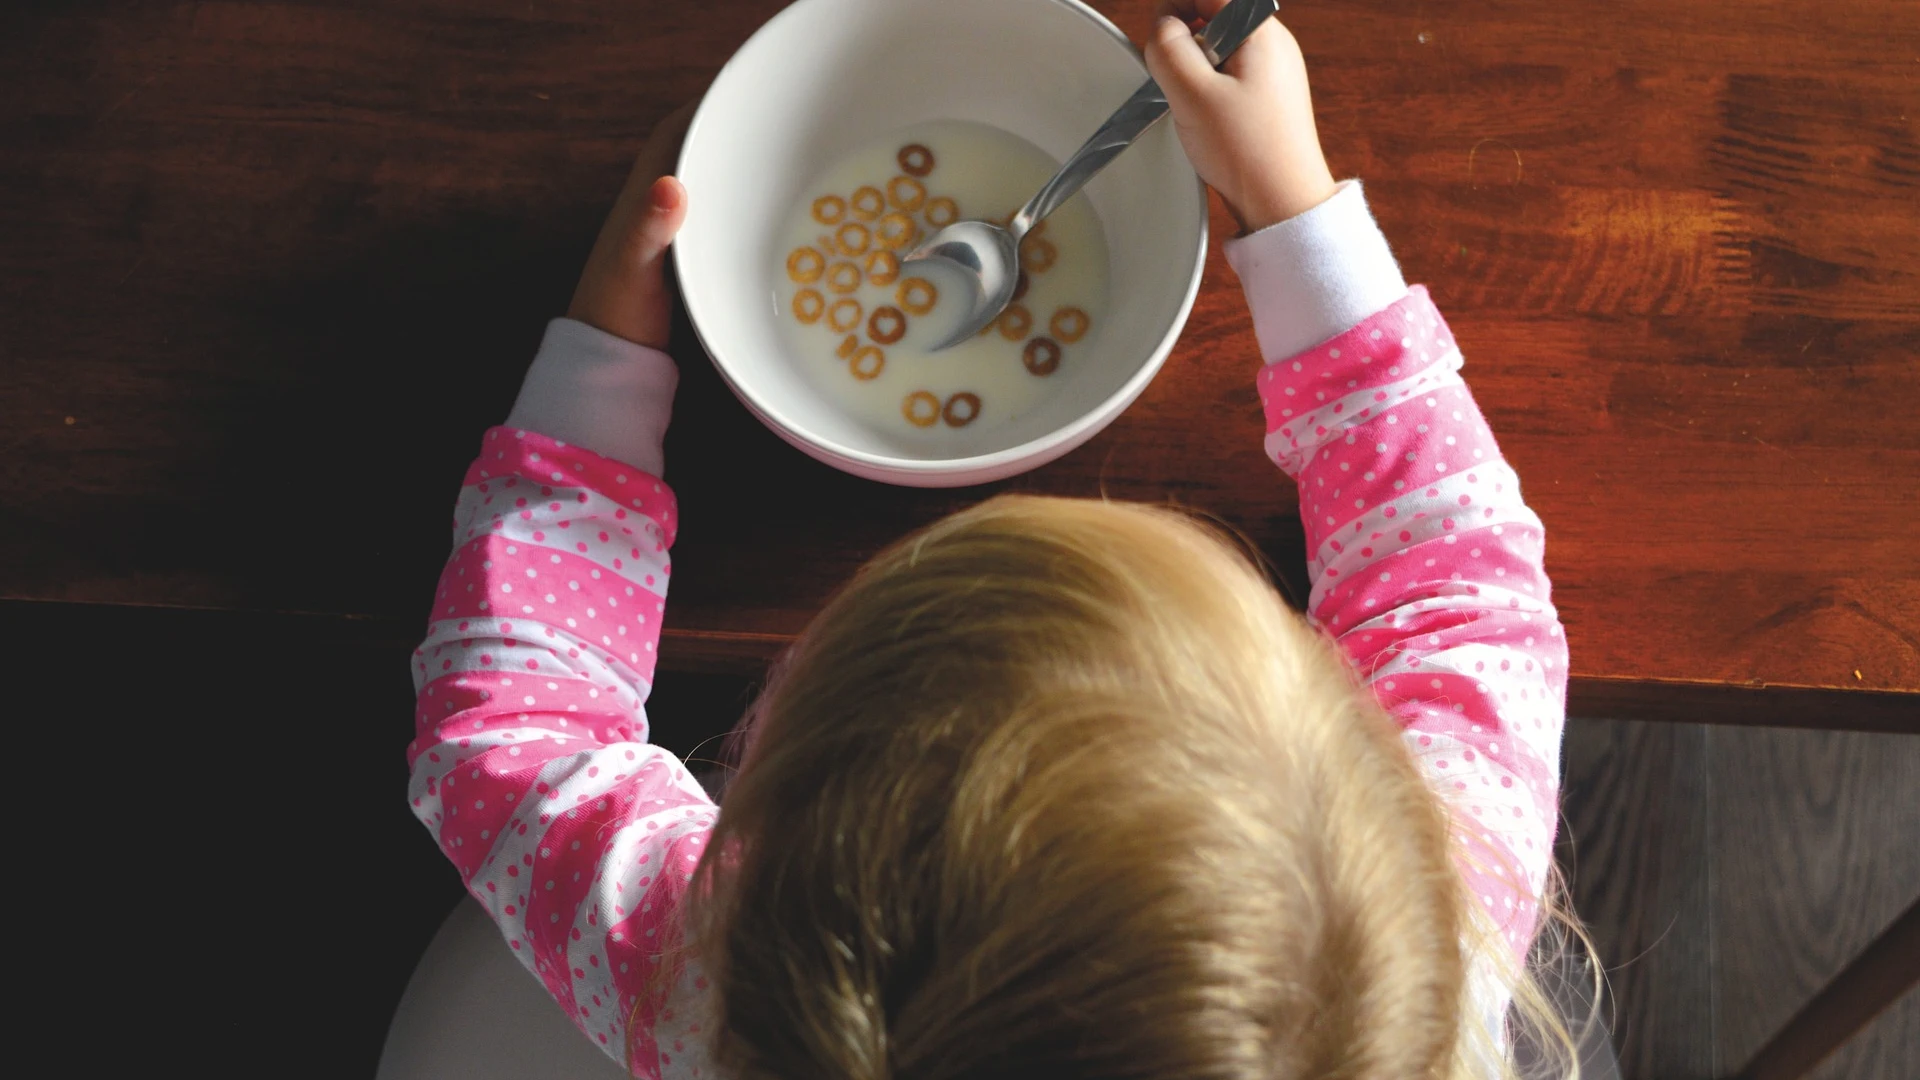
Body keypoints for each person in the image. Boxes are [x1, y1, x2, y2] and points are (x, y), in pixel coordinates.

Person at [403, 3, 1593, 1076]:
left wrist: (605, 360)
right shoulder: (1433, 936)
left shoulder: (711, 984)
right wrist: (1293, 205)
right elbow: (1456, 590)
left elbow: (510, 736)